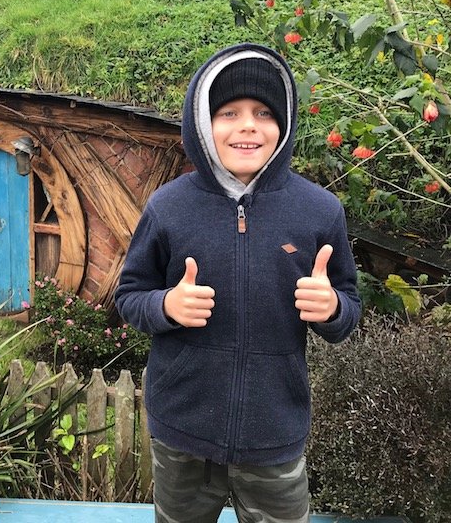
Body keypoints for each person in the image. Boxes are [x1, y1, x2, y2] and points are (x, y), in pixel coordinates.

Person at [114, 43, 361, 523]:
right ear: (201, 125)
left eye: (263, 112)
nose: (247, 124)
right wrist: (167, 306)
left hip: (274, 432)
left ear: (284, 126)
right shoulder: (168, 206)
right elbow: (129, 296)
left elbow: (348, 310)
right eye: (228, 111)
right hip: (181, 429)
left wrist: (331, 308)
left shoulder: (319, 211)